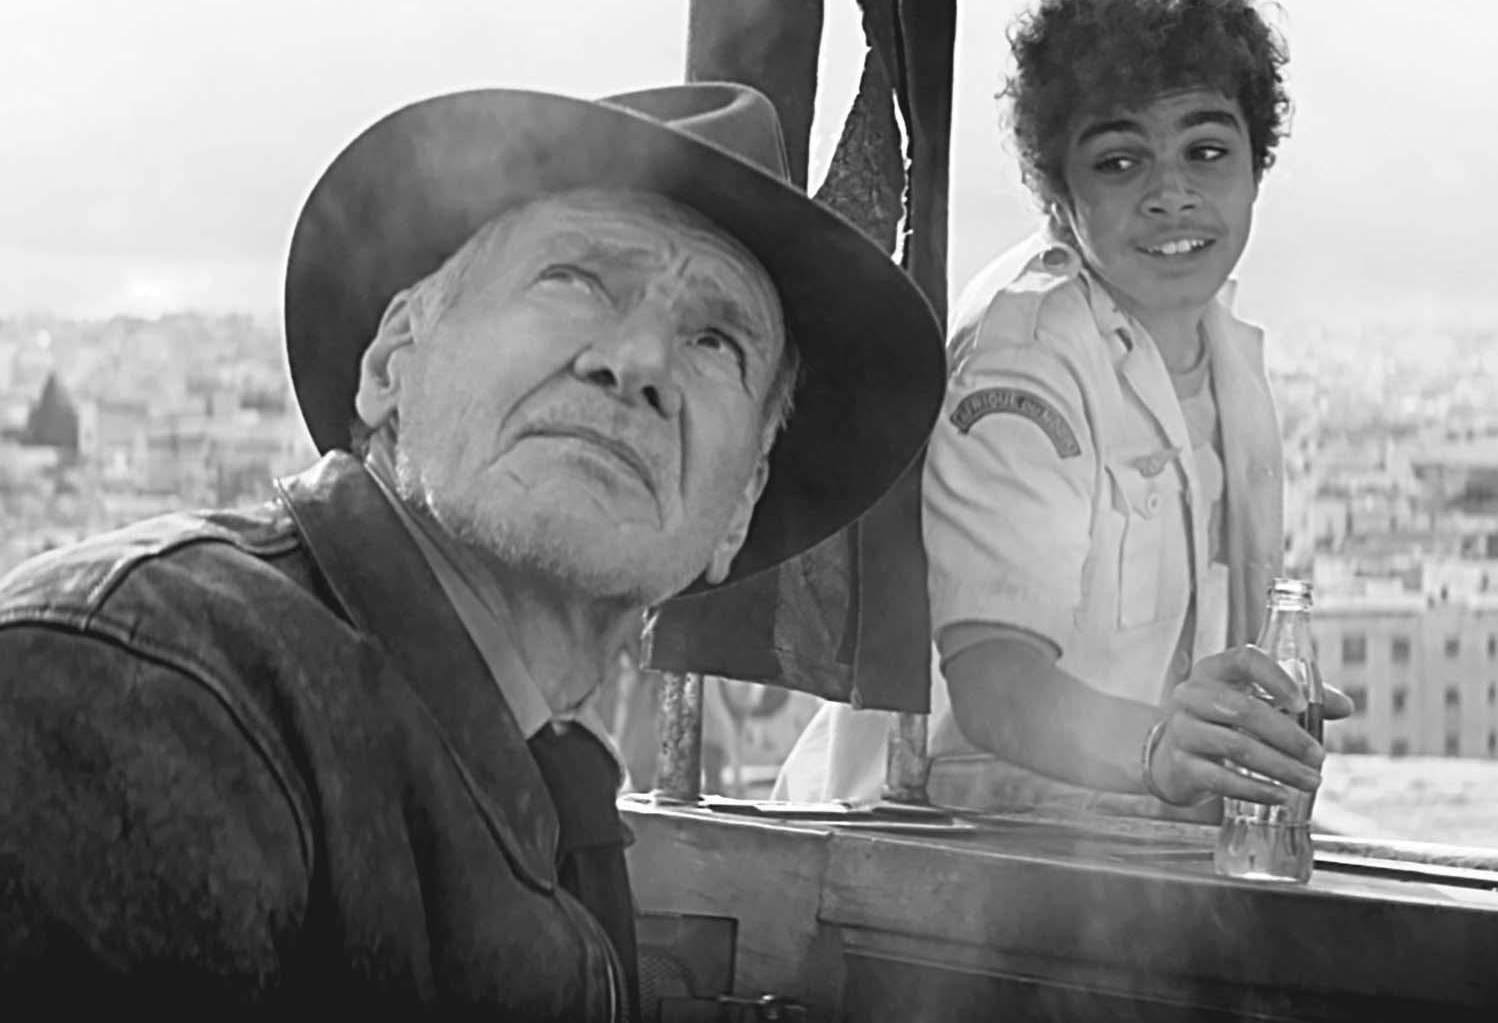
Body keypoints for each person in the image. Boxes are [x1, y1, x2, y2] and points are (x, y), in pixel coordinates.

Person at [0, 83, 945, 1018]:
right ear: (392, 363)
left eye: (716, 341)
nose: (640, 362)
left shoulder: (554, 786)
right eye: (576, 280)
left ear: (738, 509)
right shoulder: (149, 685)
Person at [777, 0, 1350, 816]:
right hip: (946, 846)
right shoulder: (1030, 351)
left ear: (1255, 166)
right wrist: (1159, 746)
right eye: (1120, 162)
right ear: (1055, 193)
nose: (1171, 195)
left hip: (1107, 849)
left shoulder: (1223, 353)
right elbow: (995, 679)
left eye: (1206, 152)